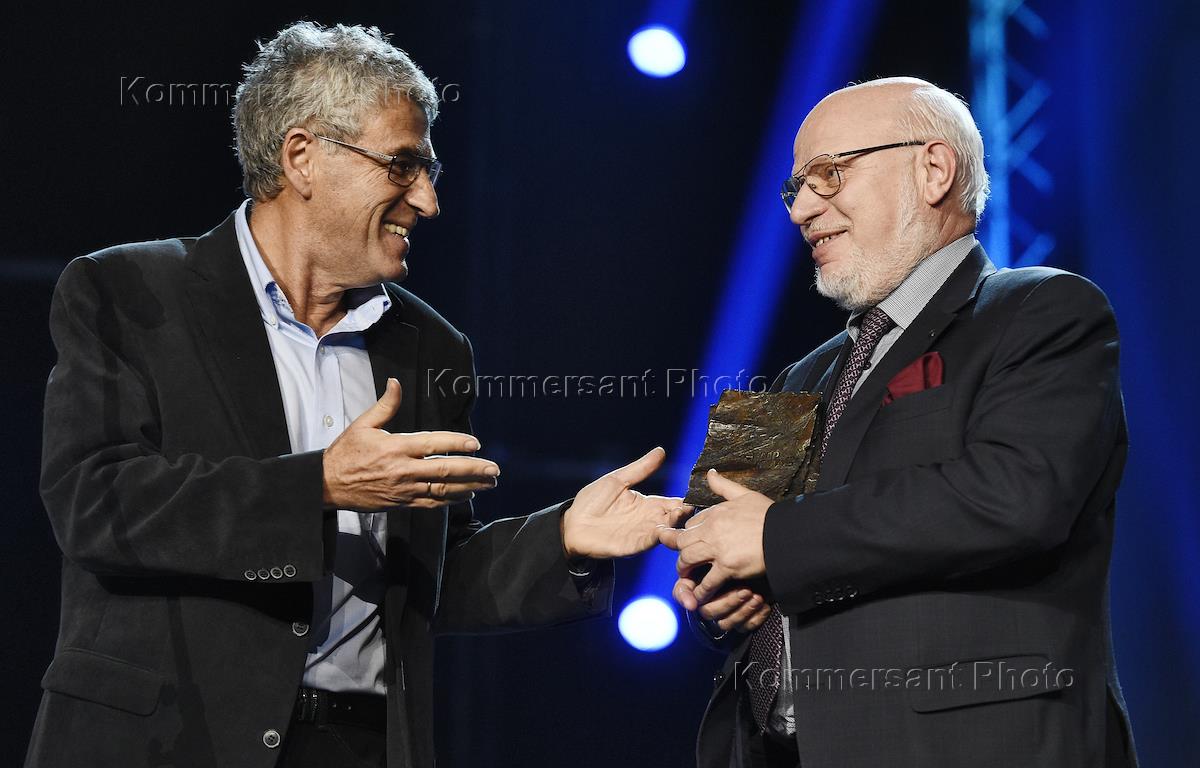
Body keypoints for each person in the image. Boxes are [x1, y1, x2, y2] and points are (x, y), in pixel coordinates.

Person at [26, 22, 686, 768]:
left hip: (362, 745)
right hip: (167, 741)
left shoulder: (431, 348)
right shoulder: (128, 293)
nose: (427, 200)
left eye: (428, 170)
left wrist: (561, 538)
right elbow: (95, 504)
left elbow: (429, 577)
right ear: (302, 157)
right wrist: (318, 484)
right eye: (402, 165)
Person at [659, 77, 1138, 768]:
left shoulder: (1044, 309)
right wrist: (713, 596)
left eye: (828, 174)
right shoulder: (794, 379)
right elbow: (717, 555)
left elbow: (1015, 495)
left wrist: (776, 536)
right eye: (795, 189)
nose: (802, 209)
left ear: (934, 169)